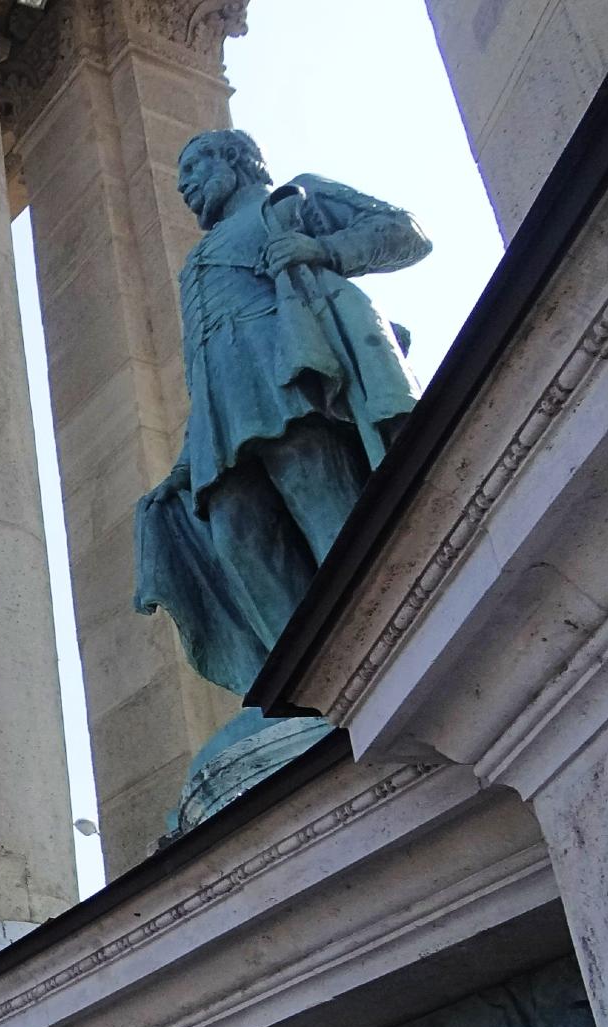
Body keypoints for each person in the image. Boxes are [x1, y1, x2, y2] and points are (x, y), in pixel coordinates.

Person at [136, 128, 432, 694]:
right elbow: (202, 368)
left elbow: (405, 232)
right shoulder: (196, 259)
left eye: (195, 168)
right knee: (236, 534)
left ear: (236, 159)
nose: (184, 186)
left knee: (320, 498)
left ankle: (380, 645)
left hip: (292, 379)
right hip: (223, 409)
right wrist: (184, 459)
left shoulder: (291, 201)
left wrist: (324, 249)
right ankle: (305, 692)